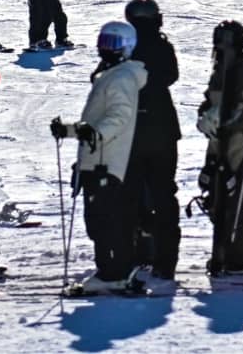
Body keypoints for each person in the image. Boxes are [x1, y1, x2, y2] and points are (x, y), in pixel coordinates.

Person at [50, 21, 148, 295]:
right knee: (98, 220)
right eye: (103, 42)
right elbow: (95, 123)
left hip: (107, 161)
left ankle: (114, 273)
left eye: (113, 44)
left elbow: (119, 115)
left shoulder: (122, 77)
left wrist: (96, 134)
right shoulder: (111, 75)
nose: (106, 48)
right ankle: (114, 270)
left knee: (105, 220)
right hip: (97, 159)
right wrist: (69, 130)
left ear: (127, 47)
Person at [197, 20, 243, 275]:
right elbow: (210, 99)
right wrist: (205, 116)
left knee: (235, 197)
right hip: (218, 142)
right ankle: (225, 254)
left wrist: (227, 126)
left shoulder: (241, 70)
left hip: (237, 144)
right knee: (216, 195)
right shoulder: (221, 69)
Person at [124, 0, 182, 282]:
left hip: (132, 129)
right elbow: (171, 75)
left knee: (132, 193)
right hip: (162, 128)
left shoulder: (126, 46)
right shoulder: (162, 45)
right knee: (163, 194)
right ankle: (165, 259)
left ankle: (136, 251)